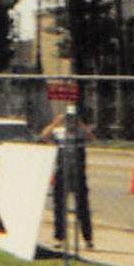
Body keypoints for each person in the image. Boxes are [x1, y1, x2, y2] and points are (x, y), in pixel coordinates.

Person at [39, 107, 95, 249]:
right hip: (62, 173)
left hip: (78, 174)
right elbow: (44, 136)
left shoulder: (81, 133)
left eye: (72, 118)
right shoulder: (59, 132)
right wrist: (55, 123)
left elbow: (92, 138)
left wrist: (81, 123)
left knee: (83, 207)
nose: (70, 121)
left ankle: (88, 239)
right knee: (59, 207)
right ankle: (59, 238)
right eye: (68, 118)